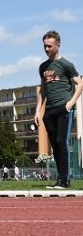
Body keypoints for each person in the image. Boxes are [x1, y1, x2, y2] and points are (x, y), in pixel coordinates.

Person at [36, 30, 82, 190]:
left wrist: (71, 103)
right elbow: (42, 90)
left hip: (63, 107)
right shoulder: (43, 67)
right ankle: (60, 179)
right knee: (55, 145)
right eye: (44, 46)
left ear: (58, 45)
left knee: (62, 142)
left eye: (49, 46)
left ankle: (65, 180)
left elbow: (80, 83)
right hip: (49, 111)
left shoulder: (66, 65)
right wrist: (37, 111)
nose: (47, 49)